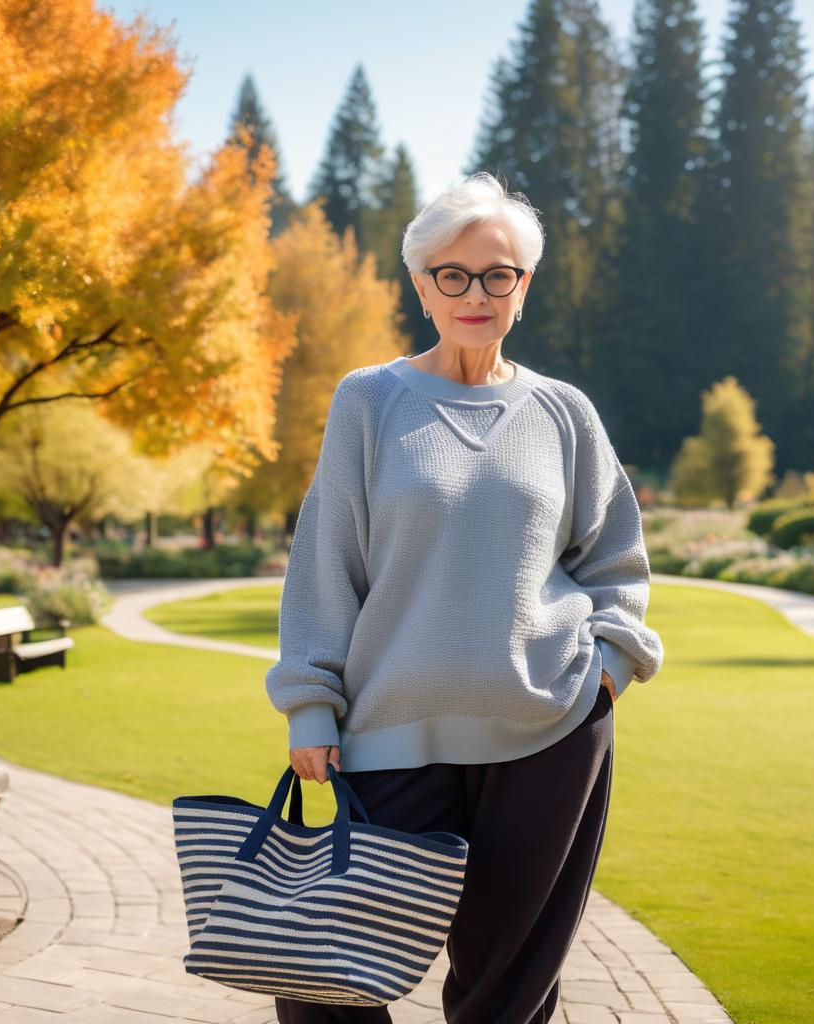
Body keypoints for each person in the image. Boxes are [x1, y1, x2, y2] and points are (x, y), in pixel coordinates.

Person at [266, 171, 665, 1024]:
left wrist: (607, 669)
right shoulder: (368, 401)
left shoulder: (564, 413)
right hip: (389, 735)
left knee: (509, 988)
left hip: (549, 731)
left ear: (525, 284)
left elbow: (616, 559)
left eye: (498, 273)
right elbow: (325, 561)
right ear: (421, 284)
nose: (474, 293)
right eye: (453, 273)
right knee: (329, 977)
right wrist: (309, 704)